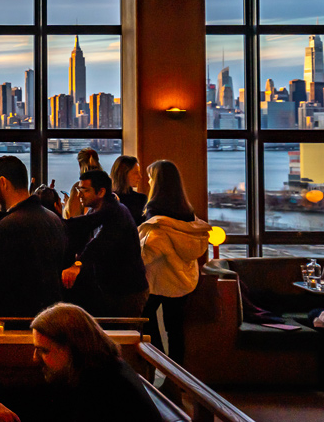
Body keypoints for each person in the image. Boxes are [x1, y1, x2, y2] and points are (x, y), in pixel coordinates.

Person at [0, 156, 66, 317]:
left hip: (13, 320)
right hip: (48, 317)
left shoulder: (9, 226)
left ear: (3, 183)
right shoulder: (54, 219)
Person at [30, 303, 161, 422]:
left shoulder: (101, 387)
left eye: (43, 350)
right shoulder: (95, 369)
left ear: (71, 347)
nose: (35, 358)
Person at [138, 160, 210, 365]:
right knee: (175, 329)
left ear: (158, 183)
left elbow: (147, 253)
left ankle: (159, 366)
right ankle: (177, 377)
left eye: (151, 178)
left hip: (158, 281)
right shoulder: (188, 214)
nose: (148, 181)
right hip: (183, 281)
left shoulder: (157, 219)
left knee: (148, 324)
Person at [62, 170, 149, 317]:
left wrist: (77, 265)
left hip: (127, 292)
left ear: (101, 192)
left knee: (125, 337)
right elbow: (82, 227)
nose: (79, 195)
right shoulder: (98, 211)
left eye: (85, 190)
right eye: (79, 190)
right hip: (113, 289)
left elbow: (100, 243)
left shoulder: (117, 213)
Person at [63, 148, 102, 219]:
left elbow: (73, 219)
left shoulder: (79, 188)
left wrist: (67, 206)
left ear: (80, 165)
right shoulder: (106, 184)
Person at [111, 155, 147, 226]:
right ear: (123, 174)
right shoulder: (110, 198)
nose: (140, 176)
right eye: (136, 173)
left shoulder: (141, 199)